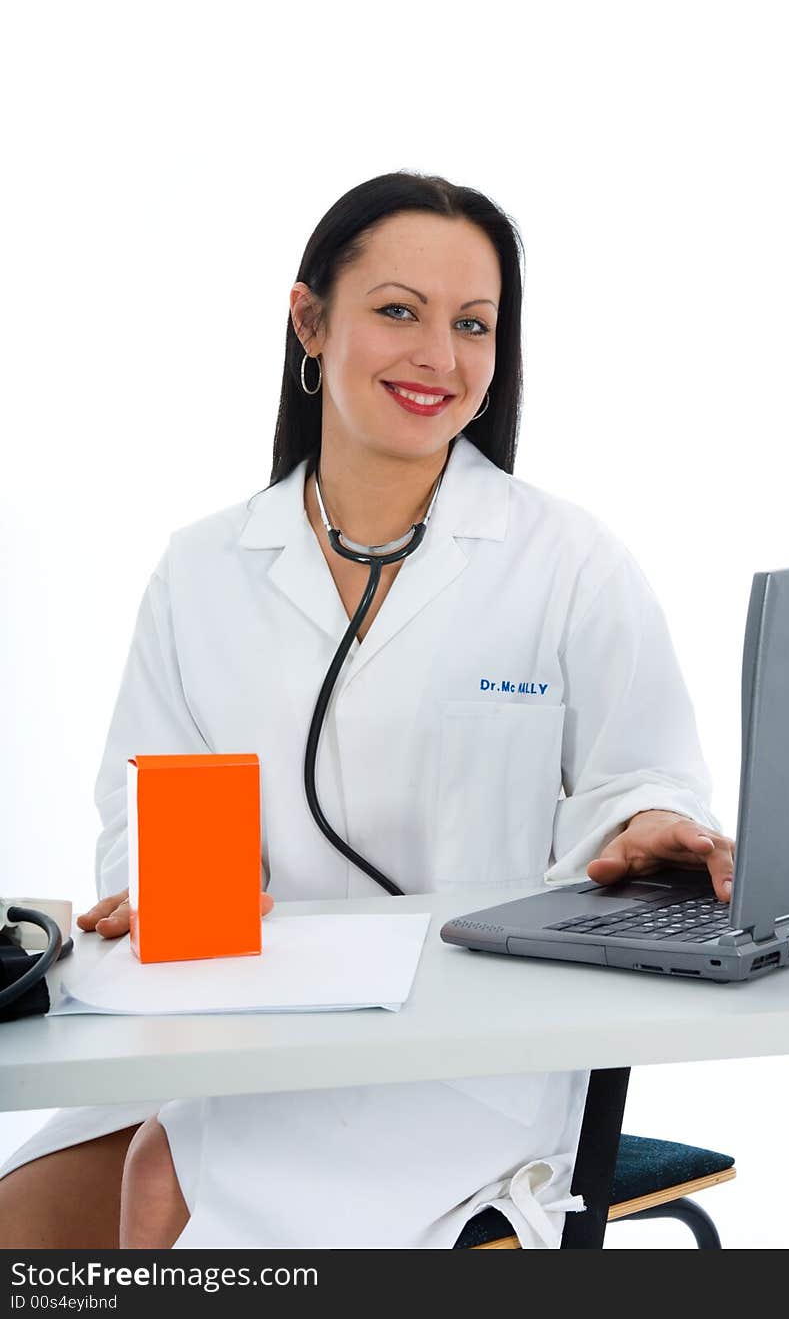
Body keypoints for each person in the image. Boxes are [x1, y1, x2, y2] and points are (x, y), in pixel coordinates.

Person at [0, 171, 734, 1249]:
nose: (439, 356)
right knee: (29, 1220)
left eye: (472, 323)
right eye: (398, 310)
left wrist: (648, 828)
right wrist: (164, 883)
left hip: (473, 1054)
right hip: (231, 1021)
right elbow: (140, 817)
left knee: (165, 1201)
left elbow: (643, 780)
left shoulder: (566, 560)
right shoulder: (203, 568)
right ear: (309, 319)